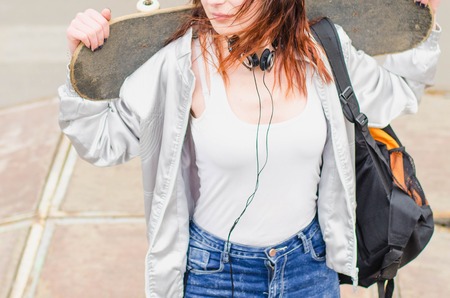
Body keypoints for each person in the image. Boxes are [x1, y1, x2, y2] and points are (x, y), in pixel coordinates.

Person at [60, 0, 441, 297]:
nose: (217, 6)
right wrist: (83, 69)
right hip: (213, 274)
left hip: (308, 266)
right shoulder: (180, 64)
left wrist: (424, 18)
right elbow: (102, 141)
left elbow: (400, 91)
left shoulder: (322, 49)